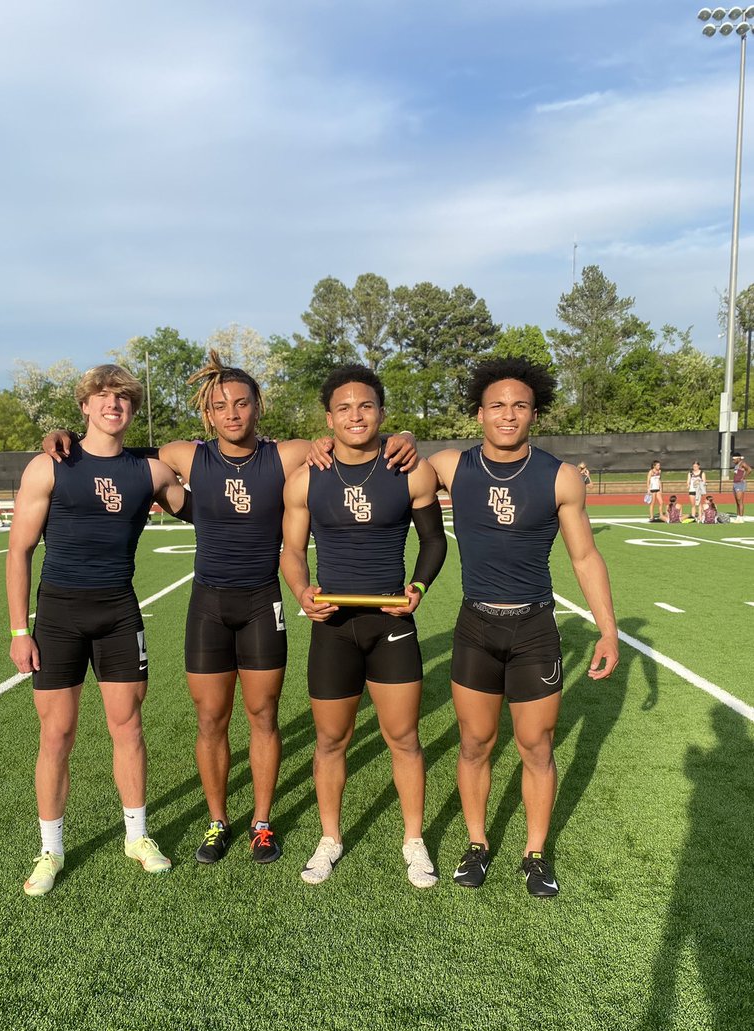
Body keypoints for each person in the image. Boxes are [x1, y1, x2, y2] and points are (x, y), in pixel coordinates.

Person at [43, 352, 417, 868]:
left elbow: (359, 444)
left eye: (242, 403)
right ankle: (218, 820)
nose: (233, 413)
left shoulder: (288, 455)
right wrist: (61, 435)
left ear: (257, 407)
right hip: (208, 606)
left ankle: (261, 823)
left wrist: (404, 441)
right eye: (221, 406)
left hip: (263, 602)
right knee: (210, 718)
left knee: (263, 716)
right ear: (208, 414)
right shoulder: (185, 456)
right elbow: (111, 450)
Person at [428, 357, 618, 899]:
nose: (508, 415)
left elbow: (584, 558)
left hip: (534, 627)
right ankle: (477, 843)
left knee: (536, 746)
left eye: (520, 406)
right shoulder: (449, 466)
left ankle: (534, 853)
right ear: (478, 413)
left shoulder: (558, 476)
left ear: (534, 413)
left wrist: (607, 631)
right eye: (497, 406)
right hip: (475, 628)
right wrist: (403, 435)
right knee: (475, 742)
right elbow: (375, 461)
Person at [7, 365, 190, 897]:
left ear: (132, 410)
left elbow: (205, 506)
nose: (114, 405)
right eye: (103, 397)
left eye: (124, 398)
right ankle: (51, 848)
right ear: (84, 406)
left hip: (119, 614)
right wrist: (20, 630)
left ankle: (137, 836)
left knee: (127, 726)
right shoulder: (50, 465)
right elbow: (18, 550)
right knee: (56, 734)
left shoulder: (151, 472)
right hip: (59, 616)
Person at [280, 364, 447, 888]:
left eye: (366, 406)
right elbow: (290, 551)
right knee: (331, 739)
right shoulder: (306, 477)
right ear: (328, 418)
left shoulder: (410, 470)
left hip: (389, 623)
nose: (356, 416)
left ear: (381, 412)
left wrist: (417, 588)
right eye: (345, 408)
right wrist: (302, 592)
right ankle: (329, 838)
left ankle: (414, 841)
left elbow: (435, 542)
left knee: (403, 738)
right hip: (334, 626)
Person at [732, 452, 750, 520]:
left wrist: (744, 477)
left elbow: (749, 469)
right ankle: (738, 516)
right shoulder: (736, 465)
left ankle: (741, 517)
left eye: (734, 459)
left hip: (740, 483)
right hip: (735, 483)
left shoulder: (742, 463)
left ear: (738, 458)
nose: (733, 461)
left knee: (740, 500)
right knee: (737, 501)